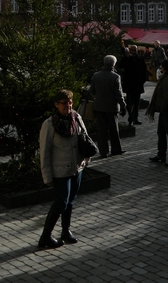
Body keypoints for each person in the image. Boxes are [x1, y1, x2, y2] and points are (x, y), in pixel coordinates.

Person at [38, 89, 88, 248]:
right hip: (60, 171)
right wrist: (47, 176)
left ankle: (66, 231)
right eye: (64, 103)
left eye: (70, 102)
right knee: (61, 203)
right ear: (56, 104)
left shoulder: (76, 117)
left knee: (70, 201)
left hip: (76, 168)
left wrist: (85, 160)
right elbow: (44, 152)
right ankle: (45, 237)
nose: (68, 105)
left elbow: (85, 137)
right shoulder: (49, 125)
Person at [89, 55, 127, 158]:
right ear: (113, 64)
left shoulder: (96, 75)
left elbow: (91, 91)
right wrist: (123, 105)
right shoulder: (115, 77)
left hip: (99, 106)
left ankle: (103, 151)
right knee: (114, 129)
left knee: (101, 131)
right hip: (112, 107)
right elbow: (118, 94)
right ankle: (116, 149)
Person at [146, 58, 168, 166]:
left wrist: (163, 109)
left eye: (161, 67)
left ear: (164, 68)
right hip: (166, 110)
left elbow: (167, 98)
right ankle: (161, 154)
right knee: (161, 132)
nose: (160, 68)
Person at [119, 45, 147, 125]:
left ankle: (135, 118)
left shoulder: (140, 59)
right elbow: (120, 65)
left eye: (135, 50)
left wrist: (143, 80)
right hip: (129, 84)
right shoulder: (127, 58)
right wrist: (126, 57)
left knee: (136, 103)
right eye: (132, 50)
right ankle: (130, 118)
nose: (134, 52)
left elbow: (144, 70)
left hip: (138, 83)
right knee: (130, 102)